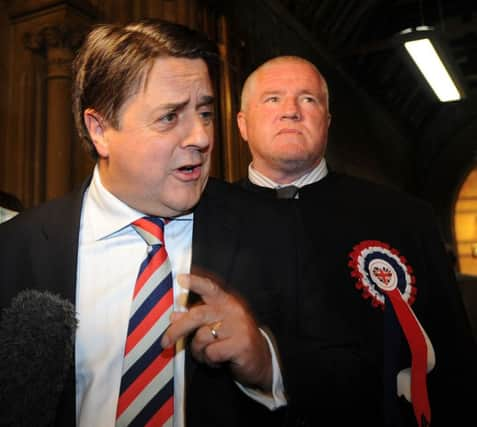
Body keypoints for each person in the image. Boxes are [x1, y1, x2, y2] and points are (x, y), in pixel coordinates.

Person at [0, 21, 299, 427]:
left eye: (206, 113)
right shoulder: (16, 249)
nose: (201, 137)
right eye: (170, 117)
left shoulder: (271, 229)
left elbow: (346, 380)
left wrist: (267, 368)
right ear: (100, 130)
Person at [236, 55, 477, 426]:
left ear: (327, 122)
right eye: (272, 99)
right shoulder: (203, 220)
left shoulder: (405, 218)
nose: (291, 111)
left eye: (308, 99)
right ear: (243, 125)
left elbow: (454, 358)